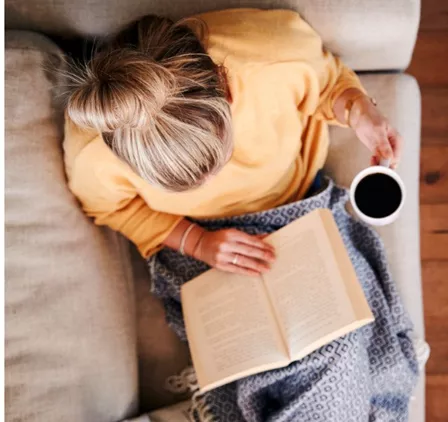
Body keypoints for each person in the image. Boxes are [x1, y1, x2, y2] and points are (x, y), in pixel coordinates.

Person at [63, 9, 403, 274]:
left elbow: (328, 85)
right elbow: (111, 209)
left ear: (225, 86)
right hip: (198, 236)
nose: (214, 182)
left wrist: (359, 110)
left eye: (220, 158)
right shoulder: (93, 152)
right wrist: (197, 242)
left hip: (296, 201)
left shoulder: (275, 54)